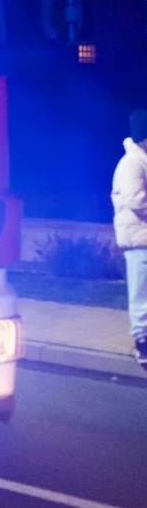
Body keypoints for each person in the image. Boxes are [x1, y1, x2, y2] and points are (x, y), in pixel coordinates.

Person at [110, 107, 147, 371]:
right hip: (138, 239)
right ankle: (142, 341)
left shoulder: (141, 160)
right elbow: (136, 199)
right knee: (141, 293)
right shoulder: (132, 163)